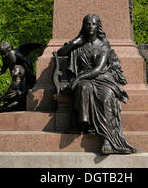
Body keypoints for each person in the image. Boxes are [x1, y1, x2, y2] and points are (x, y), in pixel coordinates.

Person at [57, 14, 139, 154]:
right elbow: (60, 53)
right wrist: (74, 43)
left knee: (107, 96)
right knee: (84, 87)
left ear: (98, 26)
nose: (90, 27)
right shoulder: (80, 46)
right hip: (85, 79)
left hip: (102, 77)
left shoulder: (103, 46)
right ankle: (86, 123)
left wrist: (76, 79)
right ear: (84, 26)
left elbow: (98, 69)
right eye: (88, 24)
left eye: (94, 24)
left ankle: (107, 139)